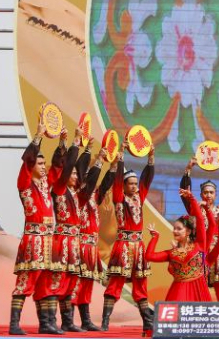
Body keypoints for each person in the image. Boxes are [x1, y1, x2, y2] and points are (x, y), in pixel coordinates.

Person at [9, 122, 74, 335]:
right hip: (34, 238)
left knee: (48, 282)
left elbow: (57, 166)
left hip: (49, 239)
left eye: (43, 163)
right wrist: (38, 136)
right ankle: (14, 324)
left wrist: (63, 142)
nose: (43, 167)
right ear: (31, 167)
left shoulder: (46, 183)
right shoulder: (25, 182)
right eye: (39, 163)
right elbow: (27, 161)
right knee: (26, 280)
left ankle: (46, 323)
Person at [101, 140, 155, 333]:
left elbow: (146, 180)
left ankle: (147, 322)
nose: (134, 187)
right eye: (130, 184)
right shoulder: (119, 197)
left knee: (141, 285)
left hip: (138, 246)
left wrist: (150, 159)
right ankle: (105, 320)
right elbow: (116, 180)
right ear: (123, 186)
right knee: (116, 283)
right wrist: (121, 155)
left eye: (135, 184)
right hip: (123, 245)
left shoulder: (139, 197)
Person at [145, 188, 219, 301]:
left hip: (199, 290)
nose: (175, 231)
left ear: (188, 232)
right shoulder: (171, 253)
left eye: (179, 229)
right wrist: (154, 238)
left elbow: (201, 220)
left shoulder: (199, 245)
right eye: (174, 228)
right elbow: (149, 256)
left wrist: (192, 198)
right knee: (176, 317)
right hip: (178, 291)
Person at [180, 156, 219, 302]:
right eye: (206, 192)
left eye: (211, 192)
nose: (208, 195)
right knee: (197, 288)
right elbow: (185, 195)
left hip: (217, 253)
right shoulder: (195, 210)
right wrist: (188, 169)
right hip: (199, 253)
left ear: (216, 195)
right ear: (201, 194)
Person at [72, 144, 116, 332]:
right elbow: (92, 184)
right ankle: (68, 320)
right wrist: (99, 160)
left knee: (88, 283)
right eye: (89, 171)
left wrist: (114, 165)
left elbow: (105, 184)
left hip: (91, 245)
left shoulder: (94, 194)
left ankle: (86, 320)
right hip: (79, 244)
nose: (92, 175)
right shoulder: (78, 193)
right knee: (76, 283)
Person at [49, 129, 88, 332]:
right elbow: (68, 168)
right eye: (71, 172)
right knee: (59, 280)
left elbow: (86, 174)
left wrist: (91, 152)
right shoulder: (59, 188)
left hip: (74, 242)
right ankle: (49, 321)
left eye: (75, 173)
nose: (74, 175)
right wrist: (73, 142)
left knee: (72, 281)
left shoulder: (75, 193)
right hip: (62, 241)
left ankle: (68, 321)